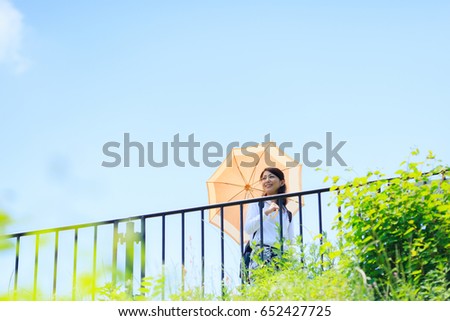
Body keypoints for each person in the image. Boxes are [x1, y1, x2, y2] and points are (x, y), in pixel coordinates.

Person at [243, 167, 295, 274]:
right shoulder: (257, 204)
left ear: (282, 182)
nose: (267, 180)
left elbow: (291, 241)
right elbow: (248, 228)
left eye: (271, 177)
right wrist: (266, 212)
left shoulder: (287, 213)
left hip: (282, 256)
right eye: (264, 178)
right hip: (261, 253)